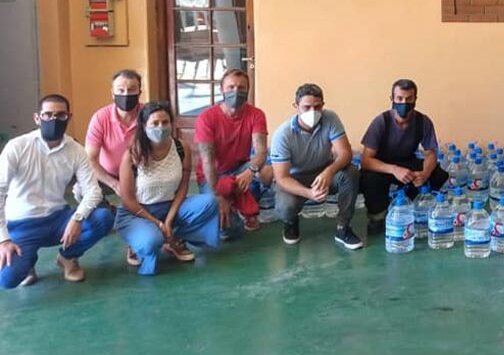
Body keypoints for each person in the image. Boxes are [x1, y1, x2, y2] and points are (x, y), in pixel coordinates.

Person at [0, 95, 113, 288]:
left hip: (58, 218)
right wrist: (4, 240)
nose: (54, 120)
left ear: (69, 117)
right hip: (21, 224)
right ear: (37, 118)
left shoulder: (76, 150)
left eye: (60, 115)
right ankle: (28, 261)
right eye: (48, 114)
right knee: (7, 280)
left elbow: (93, 191)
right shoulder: (17, 147)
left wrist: (77, 219)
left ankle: (67, 257)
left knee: (103, 218)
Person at [115, 102, 219, 275]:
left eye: (165, 122)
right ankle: (140, 242)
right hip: (137, 213)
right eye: (154, 123)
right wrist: (157, 223)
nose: (161, 127)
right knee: (151, 241)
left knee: (209, 203)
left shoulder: (181, 148)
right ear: (144, 126)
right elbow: (127, 201)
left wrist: (168, 221)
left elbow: (183, 187)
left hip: (170, 207)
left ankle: (174, 238)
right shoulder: (132, 154)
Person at [270, 83, 362, 250]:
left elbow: (345, 153)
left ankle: (343, 227)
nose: (312, 112)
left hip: (323, 172)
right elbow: (281, 177)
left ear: (323, 105)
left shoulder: (330, 118)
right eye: (306, 107)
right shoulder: (283, 134)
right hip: (295, 178)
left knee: (351, 173)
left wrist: (329, 172)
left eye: (317, 107)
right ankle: (290, 222)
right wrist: (309, 193)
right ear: (296, 106)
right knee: (285, 206)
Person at [360, 79, 448, 236]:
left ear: (415, 99)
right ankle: (377, 218)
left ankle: (408, 208)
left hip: (407, 161)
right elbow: (366, 160)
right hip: (383, 165)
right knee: (369, 178)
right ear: (392, 99)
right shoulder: (381, 122)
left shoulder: (423, 122)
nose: (404, 103)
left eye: (409, 99)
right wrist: (394, 169)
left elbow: (431, 153)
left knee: (438, 174)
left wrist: (424, 173)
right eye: (399, 98)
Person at [195, 68, 271, 240]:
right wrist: (218, 195)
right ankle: (234, 204)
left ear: (248, 90)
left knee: (267, 172)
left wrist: (250, 171)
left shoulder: (256, 114)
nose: (236, 91)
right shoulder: (206, 117)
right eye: (231, 87)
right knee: (228, 232)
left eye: (241, 88)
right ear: (222, 90)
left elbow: (261, 151)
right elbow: (208, 161)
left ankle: (247, 204)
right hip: (212, 174)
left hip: (239, 168)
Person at [84, 69, 143, 201]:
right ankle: (108, 210)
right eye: (120, 90)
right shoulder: (100, 117)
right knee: (80, 189)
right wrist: (114, 184)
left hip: (141, 174)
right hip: (107, 175)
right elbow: (90, 159)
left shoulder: (148, 115)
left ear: (139, 92)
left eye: (132, 90)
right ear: (112, 93)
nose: (126, 94)